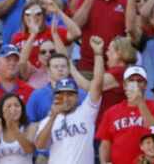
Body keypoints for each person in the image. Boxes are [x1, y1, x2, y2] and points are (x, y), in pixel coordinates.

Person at [34, 36, 105, 164]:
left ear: (77, 96)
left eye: (70, 94)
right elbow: (40, 145)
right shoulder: (47, 121)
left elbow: (98, 84)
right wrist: (53, 117)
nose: (66, 98)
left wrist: (98, 54)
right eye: (62, 94)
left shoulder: (86, 112)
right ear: (55, 97)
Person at [97, 65, 154, 164]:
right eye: (131, 80)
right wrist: (104, 162)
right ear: (124, 85)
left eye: (139, 80)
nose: (135, 83)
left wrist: (140, 102)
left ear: (145, 85)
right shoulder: (111, 112)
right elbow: (105, 144)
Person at [0, 92, 36, 163]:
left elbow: (29, 149)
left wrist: (13, 128)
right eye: (8, 106)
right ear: (1, 111)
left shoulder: (30, 127)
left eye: (17, 106)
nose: (13, 109)